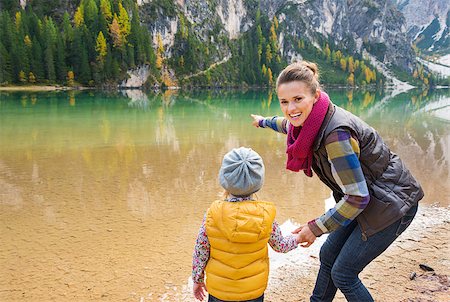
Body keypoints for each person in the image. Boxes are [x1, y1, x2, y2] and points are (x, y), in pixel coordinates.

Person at [251, 61, 424, 302]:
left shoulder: (336, 136)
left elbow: (357, 197)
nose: (290, 108)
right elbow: (287, 124)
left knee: (344, 273)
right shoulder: (311, 121)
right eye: (284, 102)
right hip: (369, 197)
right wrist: (263, 122)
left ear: (315, 96)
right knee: (329, 254)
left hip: (392, 205)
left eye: (298, 99)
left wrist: (315, 227)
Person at [192, 147, 299, 302]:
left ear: (224, 179)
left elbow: (201, 250)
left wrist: (197, 279)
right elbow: (280, 245)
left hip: (220, 291)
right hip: (253, 292)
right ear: (258, 181)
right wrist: (298, 237)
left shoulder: (212, 214)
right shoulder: (265, 216)